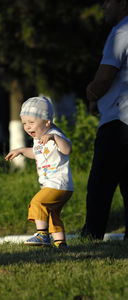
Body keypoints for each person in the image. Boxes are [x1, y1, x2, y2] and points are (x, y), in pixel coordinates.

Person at [81, 0, 128, 240]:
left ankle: (92, 235)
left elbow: (103, 80)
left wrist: (91, 93)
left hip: (119, 122)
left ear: (123, 4)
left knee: (101, 183)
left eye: (107, 2)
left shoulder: (121, 32)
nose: (102, 7)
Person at [5, 96, 74, 248]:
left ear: (47, 122)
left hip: (58, 184)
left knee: (37, 202)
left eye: (31, 122)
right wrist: (22, 151)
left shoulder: (54, 133)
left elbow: (67, 149)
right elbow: (37, 153)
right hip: (54, 186)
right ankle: (60, 243)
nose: (28, 127)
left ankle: (42, 235)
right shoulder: (38, 138)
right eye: (24, 123)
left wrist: (54, 137)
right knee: (52, 215)